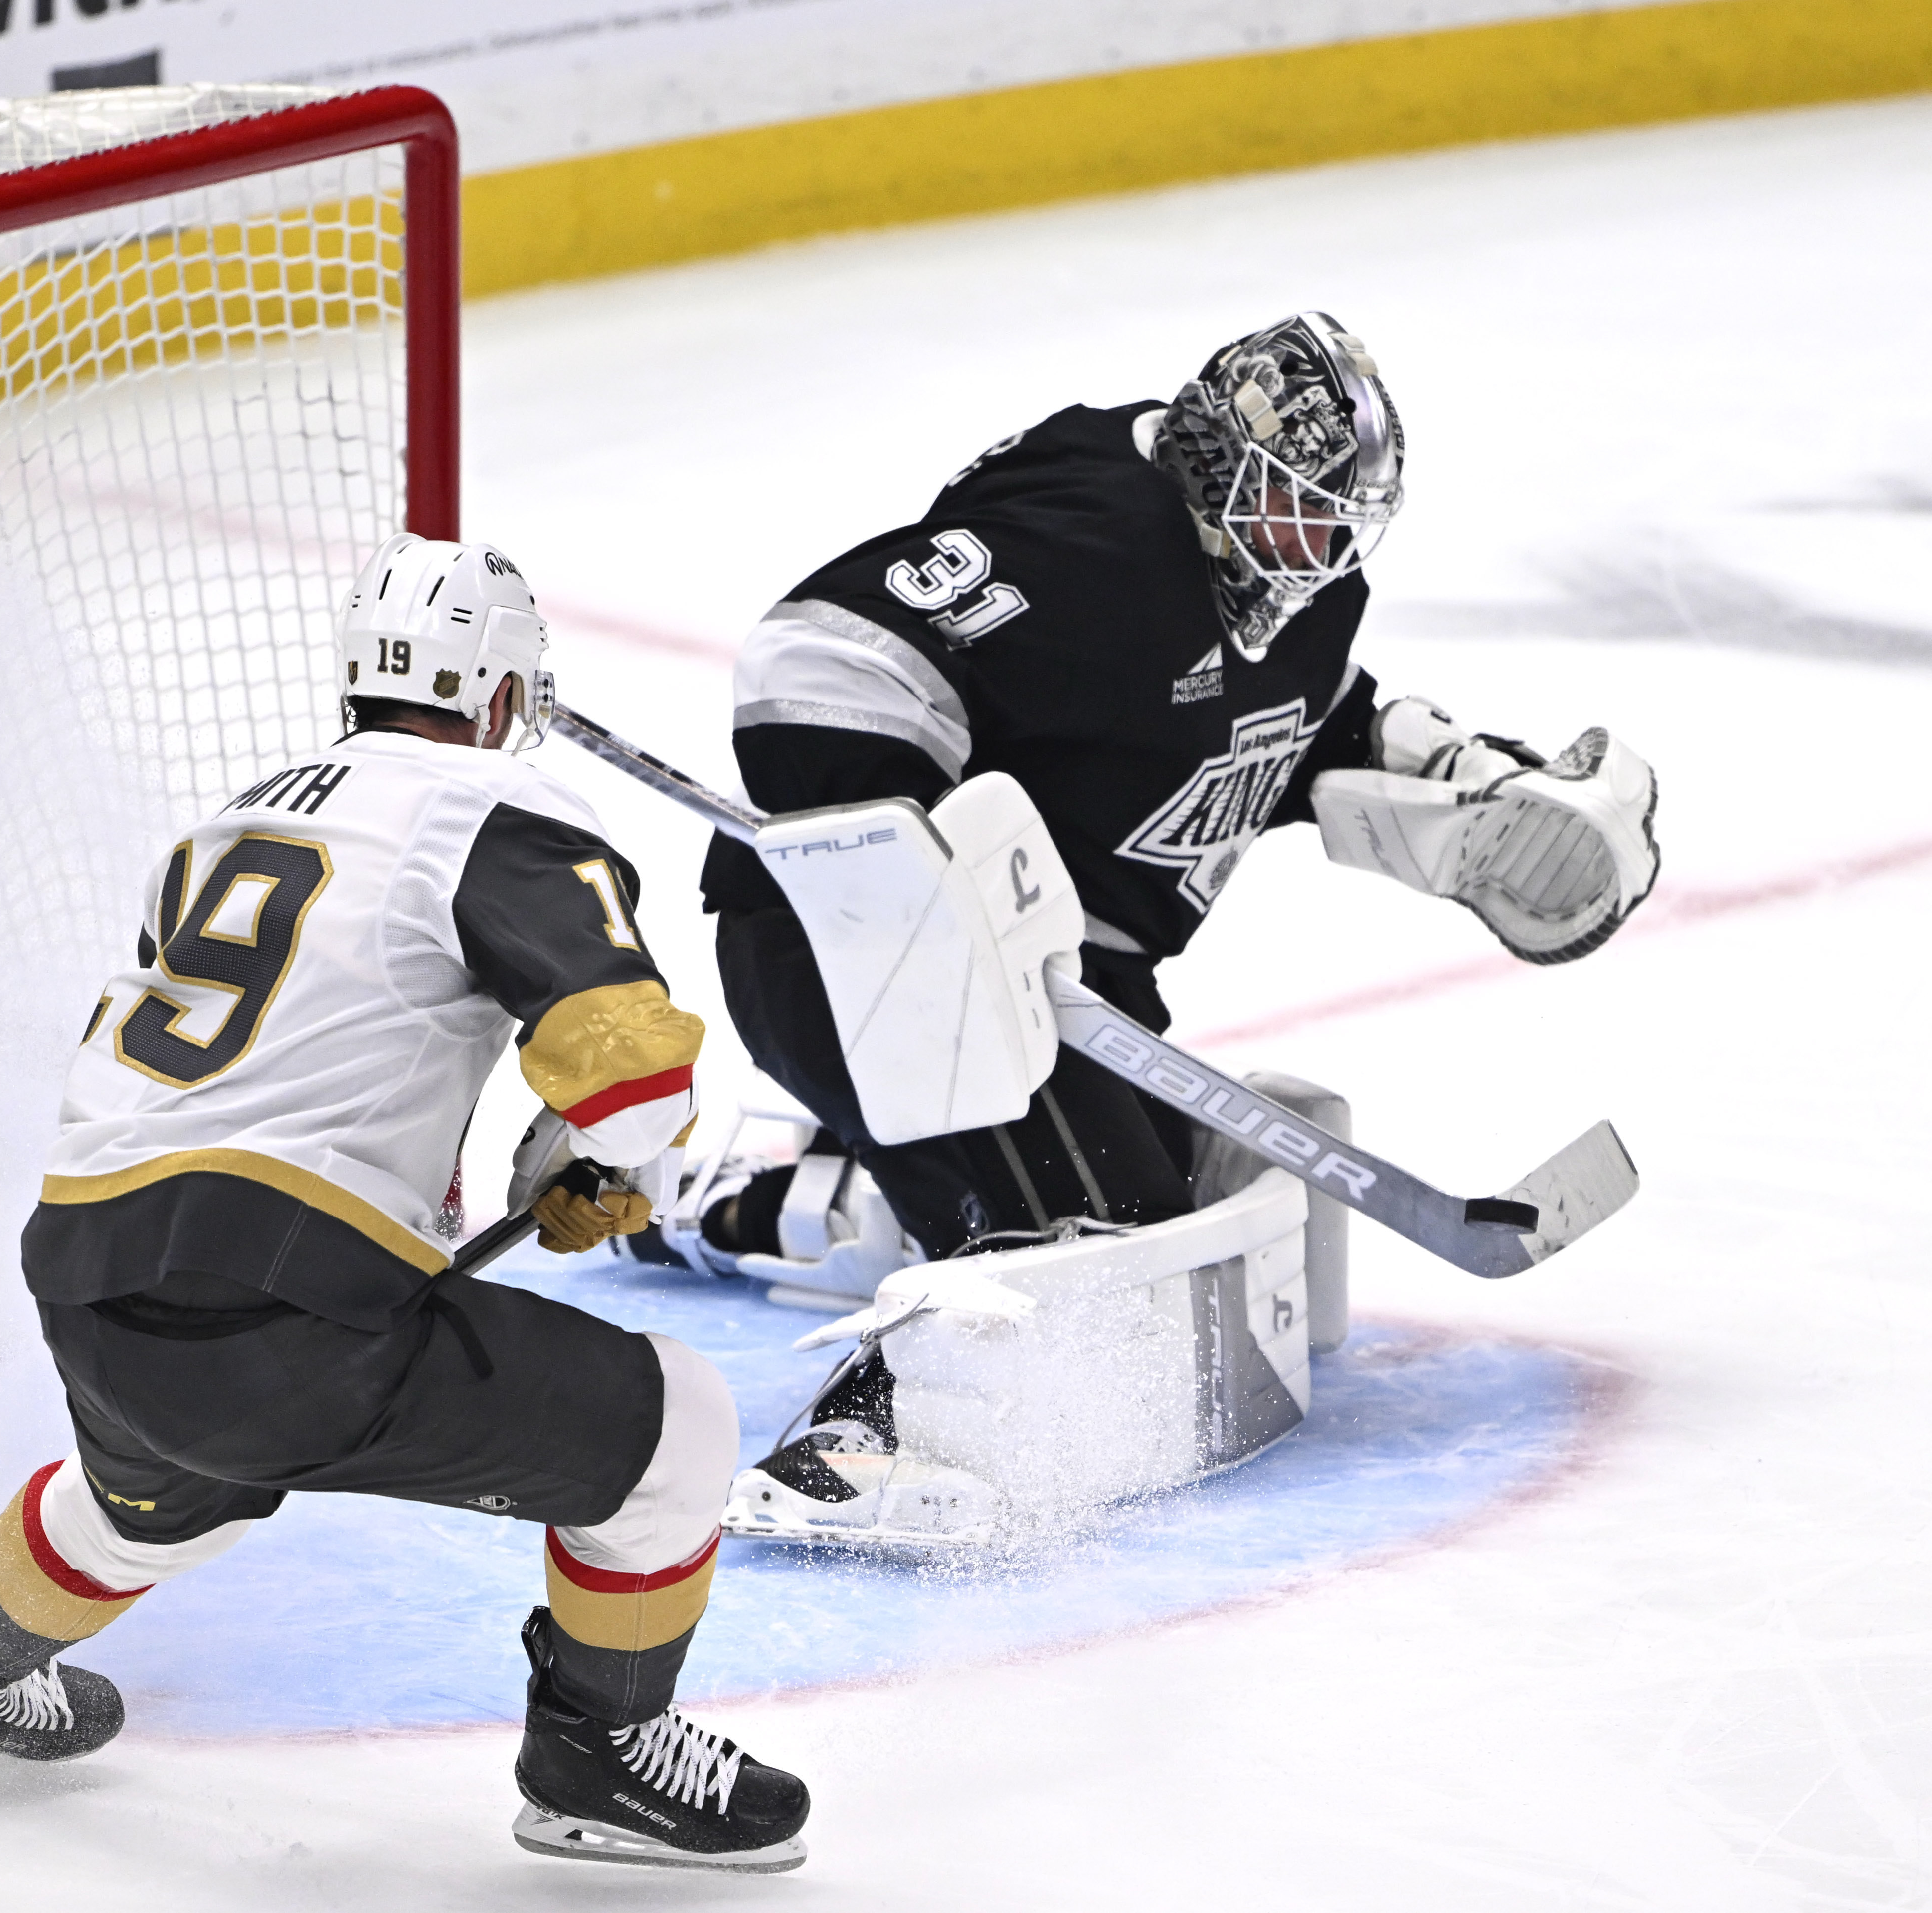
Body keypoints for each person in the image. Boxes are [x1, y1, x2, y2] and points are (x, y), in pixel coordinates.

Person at [0, 535, 812, 1874]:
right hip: (286, 1313)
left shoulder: (221, 828)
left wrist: (537, 1166)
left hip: (89, 1278)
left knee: (158, 1489)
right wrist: (605, 1164)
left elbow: (239, 1080)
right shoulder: (497, 817)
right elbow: (637, 1080)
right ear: (505, 694)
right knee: (677, 1423)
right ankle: (600, 1752)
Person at [626, 312, 1658, 1517]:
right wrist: (914, 872)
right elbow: (817, 657)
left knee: (1145, 1201)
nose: (1318, 543)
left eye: (1338, 517)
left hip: (1058, 987)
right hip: (861, 957)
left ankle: (756, 1198)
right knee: (1082, 1248)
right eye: (1295, 506)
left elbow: (1284, 717)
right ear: (1219, 462)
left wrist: (1454, 776)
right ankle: (866, 1441)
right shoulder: (1090, 536)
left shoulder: (1301, 585)